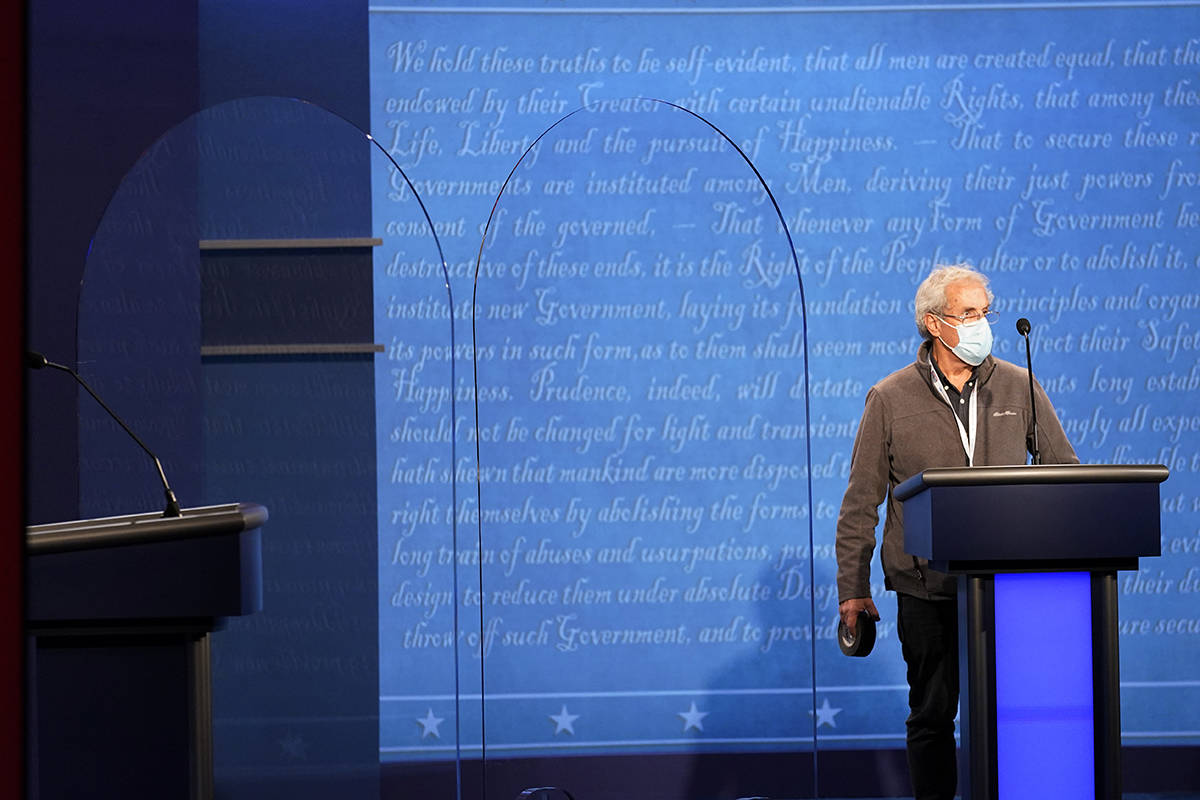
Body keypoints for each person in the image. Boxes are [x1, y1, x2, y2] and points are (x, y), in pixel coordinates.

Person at [834, 263, 1078, 800]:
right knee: (933, 714)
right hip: (928, 586)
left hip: (1009, 586)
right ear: (932, 323)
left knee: (1013, 714)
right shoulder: (890, 397)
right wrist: (852, 588)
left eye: (984, 313)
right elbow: (861, 502)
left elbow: (1066, 471)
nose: (980, 324)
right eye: (967, 314)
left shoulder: (1020, 385)